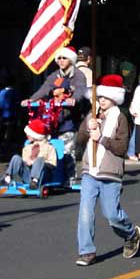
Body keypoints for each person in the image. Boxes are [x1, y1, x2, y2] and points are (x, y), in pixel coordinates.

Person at [75, 75, 140, 266]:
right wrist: (88, 129)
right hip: (90, 172)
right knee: (85, 212)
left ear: (115, 98)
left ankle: (130, 232)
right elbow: (79, 141)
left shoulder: (120, 117)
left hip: (110, 173)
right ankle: (87, 251)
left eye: (105, 96)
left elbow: (122, 148)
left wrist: (101, 137)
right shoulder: (91, 115)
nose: (101, 100)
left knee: (112, 214)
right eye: (99, 96)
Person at [22, 46, 87, 181]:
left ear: (71, 59)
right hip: (52, 119)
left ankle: (70, 178)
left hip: (69, 120)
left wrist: (73, 99)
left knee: (67, 151)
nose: (61, 61)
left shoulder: (78, 75)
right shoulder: (54, 75)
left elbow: (81, 90)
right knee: (48, 149)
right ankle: (49, 177)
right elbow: (44, 89)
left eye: (64, 58)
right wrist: (31, 99)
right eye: (59, 58)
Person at [1, 119, 57, 187]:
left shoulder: (49, 147)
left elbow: (53, 165)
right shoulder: (27, 147)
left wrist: (36, 162)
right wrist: (27, 162)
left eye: (29, 134)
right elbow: (23, 163)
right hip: (28, 175)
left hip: (43, 176)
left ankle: (35, 181)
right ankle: (7, 179)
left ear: (36, 135)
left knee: (39, 159)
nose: (27, 135)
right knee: (16, 157)